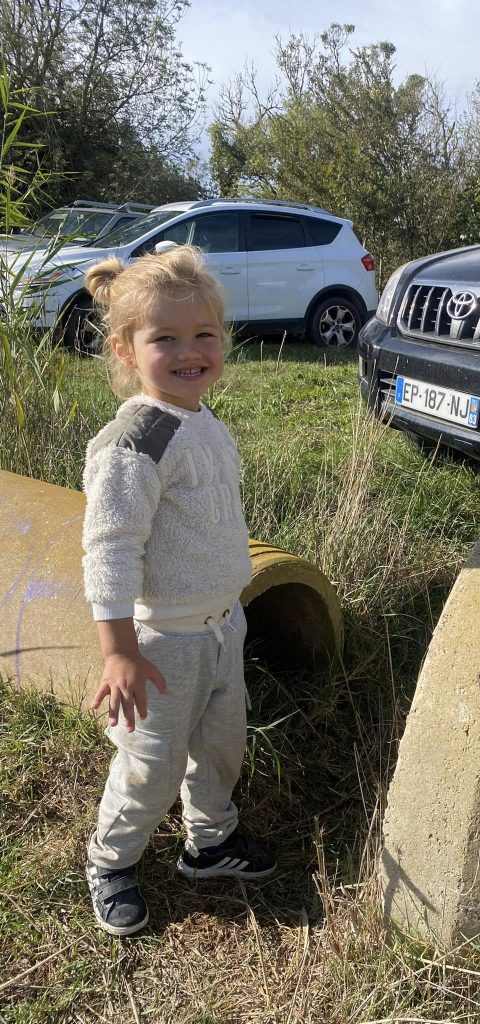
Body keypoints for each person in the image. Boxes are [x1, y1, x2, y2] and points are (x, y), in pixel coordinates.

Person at [81, 245, 275, 937]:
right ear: (126, 350)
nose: (190, 351)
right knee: (151, 764)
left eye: (204, 334)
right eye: (165, 338)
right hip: (162, 643)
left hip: (223, 628)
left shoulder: (202, 419)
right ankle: (111, 861)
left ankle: (209, 842)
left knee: (221, 746)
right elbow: (110, 548)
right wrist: (120, 652)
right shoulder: (135, 441)